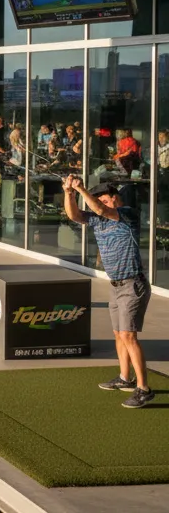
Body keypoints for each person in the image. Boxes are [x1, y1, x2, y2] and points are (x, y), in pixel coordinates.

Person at [63, 175, 153, 408]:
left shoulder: (127, 214)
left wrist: (81, 189)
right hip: (115, 285)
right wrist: (69, 193)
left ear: (114, 198)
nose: (98, 203)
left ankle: (143, 389)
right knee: (118, 334)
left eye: (102, 198)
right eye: (97, 199)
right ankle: (125, 378)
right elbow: (74, 215)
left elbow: (101, 209)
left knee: (129, 336)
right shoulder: (97, 219)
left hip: (133, 284)